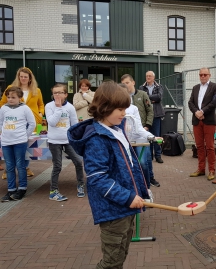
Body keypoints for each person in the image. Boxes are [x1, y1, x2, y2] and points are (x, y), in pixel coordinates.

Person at [67, 81, 148, 269]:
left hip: (126, 207)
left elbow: (130, 167)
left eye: (125, 108)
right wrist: (128, 196)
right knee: (111, 262)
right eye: (120, 109)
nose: (124, 113)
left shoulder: (117, 130)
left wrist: (141, 191)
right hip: (113, 212)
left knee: (120, 255)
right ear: (104, 108)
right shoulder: (96, 139)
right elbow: (98, 178)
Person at [119, 83, 163, 203]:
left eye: (126, 94)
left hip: (138, 139)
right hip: (122, 142)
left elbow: (138, 128)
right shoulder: (113, 109)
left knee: (143, 163)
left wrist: (153, 137)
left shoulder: (133, 108)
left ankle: (146, 190)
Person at [0, 67, 44, 179]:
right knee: (11, 145)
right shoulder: (11, 88)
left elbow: (41, 104)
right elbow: (3, 103)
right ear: (18, 77)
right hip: (14, 121)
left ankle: (25, 167)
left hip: (32, 121)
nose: (23, 78)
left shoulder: (36, 90)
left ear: (30, 78)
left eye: (25, 76)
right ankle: (8, 169)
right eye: (21, 76)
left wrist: (40, 113)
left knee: (27, 144)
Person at [46, 83, 85, 201]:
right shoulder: (49, 106)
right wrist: (58, 108)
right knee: (57, 165)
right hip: (54, 140)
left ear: (66, 94)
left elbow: (74, 124)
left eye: (60, 92)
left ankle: (81, 185)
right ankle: (53, 191)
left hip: (68, 140)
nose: (57, 95)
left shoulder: (70, 107)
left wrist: (77, 138)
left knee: (78, 162)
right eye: (55, 93)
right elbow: (51, 122)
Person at [0, 87, 35, 202]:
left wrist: (25, 135)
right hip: (6, 142)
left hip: (19, 141)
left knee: (20, 165)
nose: (10, 99)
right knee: (9, 166)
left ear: (20, 98)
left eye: (13, 97)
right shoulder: (3, 108)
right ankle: (11, 189)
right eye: (8, 97)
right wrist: (2, 134)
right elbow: (1, 122)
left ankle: (22, 188)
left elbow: (32, 123)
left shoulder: (25, 108)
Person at [188, 67, 216, 181]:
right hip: (197, 120)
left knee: (210, 147)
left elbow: (214, 102)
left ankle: (212, 170)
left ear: (209, 75)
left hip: (208, 120)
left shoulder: (215, 87)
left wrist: (203, 111)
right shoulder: (195, 88)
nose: (203, 76)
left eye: (205, 74)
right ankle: (201, 169)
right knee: (199, 146)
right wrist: (196, 112)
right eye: (201, 75)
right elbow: (190, 102)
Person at [139, 71, 165, 164]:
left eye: (150, 76)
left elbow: (159, 97)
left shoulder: (159, 86)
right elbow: (142, 99)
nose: (148, 77)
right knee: (147, 136)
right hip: (146, 116)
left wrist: (148, 98)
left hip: (156, 115)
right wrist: (152, 99)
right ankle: (149, 155)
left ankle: (158, 155)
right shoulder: (142, 87)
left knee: (156, 135)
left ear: (154, 77)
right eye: (147, 76)